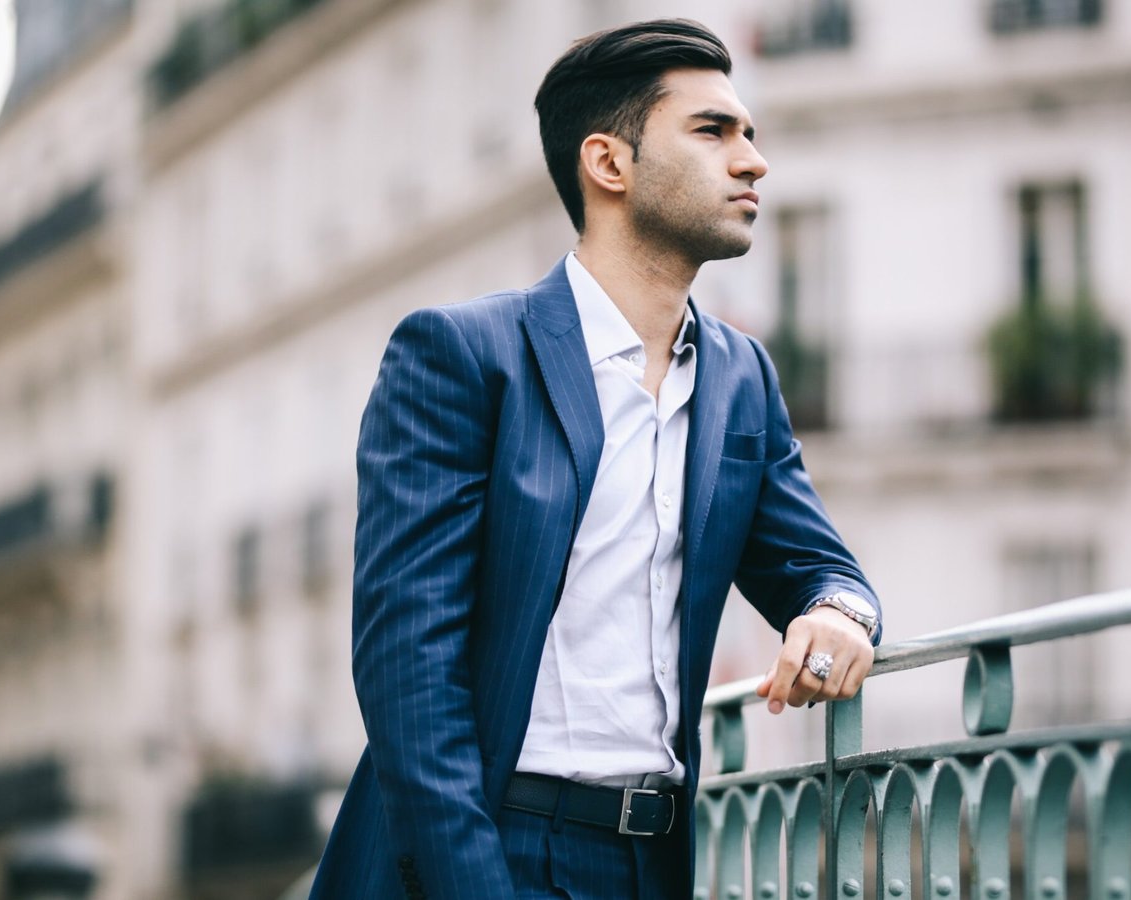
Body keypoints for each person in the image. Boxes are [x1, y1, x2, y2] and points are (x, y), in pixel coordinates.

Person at [311, 18, 883, 900]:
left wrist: (840, 614)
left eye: (750, 134)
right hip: (492, 847)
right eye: (712, 131)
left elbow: (818, 566)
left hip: (656, 863)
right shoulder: (463, 355)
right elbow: (406, 671)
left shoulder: (740, 377)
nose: (753, 161)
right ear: (608, 164)